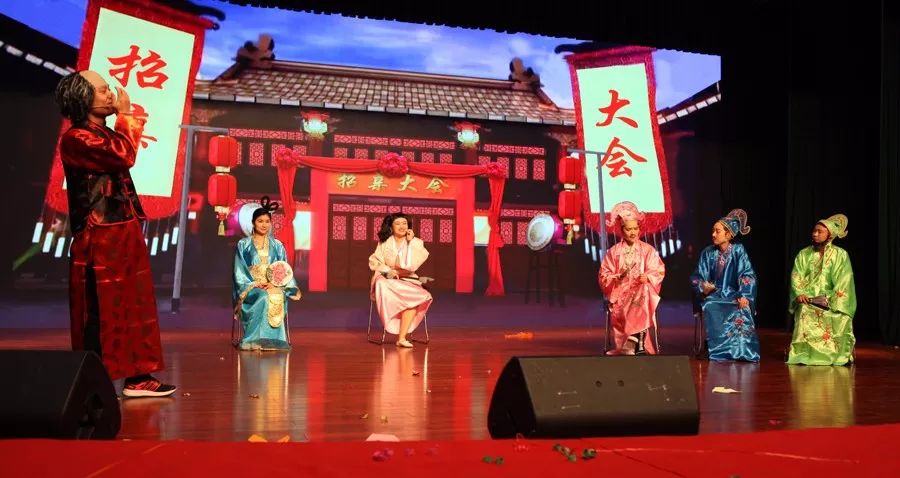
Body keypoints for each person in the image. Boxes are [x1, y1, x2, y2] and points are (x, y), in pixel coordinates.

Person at [55, 70, 175, 397]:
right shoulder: (77, 138)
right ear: (82, 99)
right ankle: (94, 380)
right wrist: (125, 117)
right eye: (102, 90)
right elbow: (124, 154)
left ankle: (138, 377)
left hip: (121, 228)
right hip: (99, 234)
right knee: (100, 308)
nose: (111, 94)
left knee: (134, 304)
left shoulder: (102, 133)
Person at [690, 209, 760, 362]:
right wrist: (703, 287)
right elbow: (697, 276)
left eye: (718, 231)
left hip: (734, 293)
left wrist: (745, 295)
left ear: (728, 234)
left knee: (742, 306)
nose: (713, 234)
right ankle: (712, 346)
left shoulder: (738, 250)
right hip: (714, 294)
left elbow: (747, 274)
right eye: (713, 231)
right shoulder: (707, 252)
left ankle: (740, 349)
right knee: (710, 304)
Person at [786, 214, 856, 365]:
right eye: (814, 231)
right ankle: (803, 353)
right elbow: (796, 275)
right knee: (804, 309)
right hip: (808, 298)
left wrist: (830, 299)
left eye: (819, 232)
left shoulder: (841, 255)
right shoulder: (804, 254)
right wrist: (800, 294)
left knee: (841, 316)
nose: (815, 234)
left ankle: (838, 354)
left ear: (830, 234)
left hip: (831, 299)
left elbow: (844, 282)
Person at [233, 197, 302, 351]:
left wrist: (274, 284)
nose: (264, 225)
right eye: (260, 221)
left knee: (276, 295)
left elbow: (283, 269)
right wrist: (254, 284)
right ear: (253, 223)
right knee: (263, 297)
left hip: (272, 284)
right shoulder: (244, 244)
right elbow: (239, 270)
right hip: (252, 286)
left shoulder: (277, 246)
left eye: (267, 221)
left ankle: (274, 339)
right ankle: (254, 339)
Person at [598, 201, 665, 355]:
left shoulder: (647, 250)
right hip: (620, 295)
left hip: (641, 293)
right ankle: (636, 341)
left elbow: (658, 270)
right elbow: (603, 274)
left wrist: (647, 276)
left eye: (635, 228)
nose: (633, 232)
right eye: (629, 229)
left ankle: (636, 340)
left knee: (644, 290)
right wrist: (616, 277)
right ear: (622, 230)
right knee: (637, 299)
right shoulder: (614, 252)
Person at [368, 213, 432, 348]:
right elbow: (374, 261)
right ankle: (392, 318)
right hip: (387, 278)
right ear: (391, 227)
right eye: (397, 224)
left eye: (404, 223)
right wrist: (388, 271)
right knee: (382, 284)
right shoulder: (384, 242)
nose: (402, 226)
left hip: (407, 278)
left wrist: (409, 242)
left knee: (416, 298)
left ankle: (401, 338)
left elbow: (412, 266)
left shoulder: (417, 243)